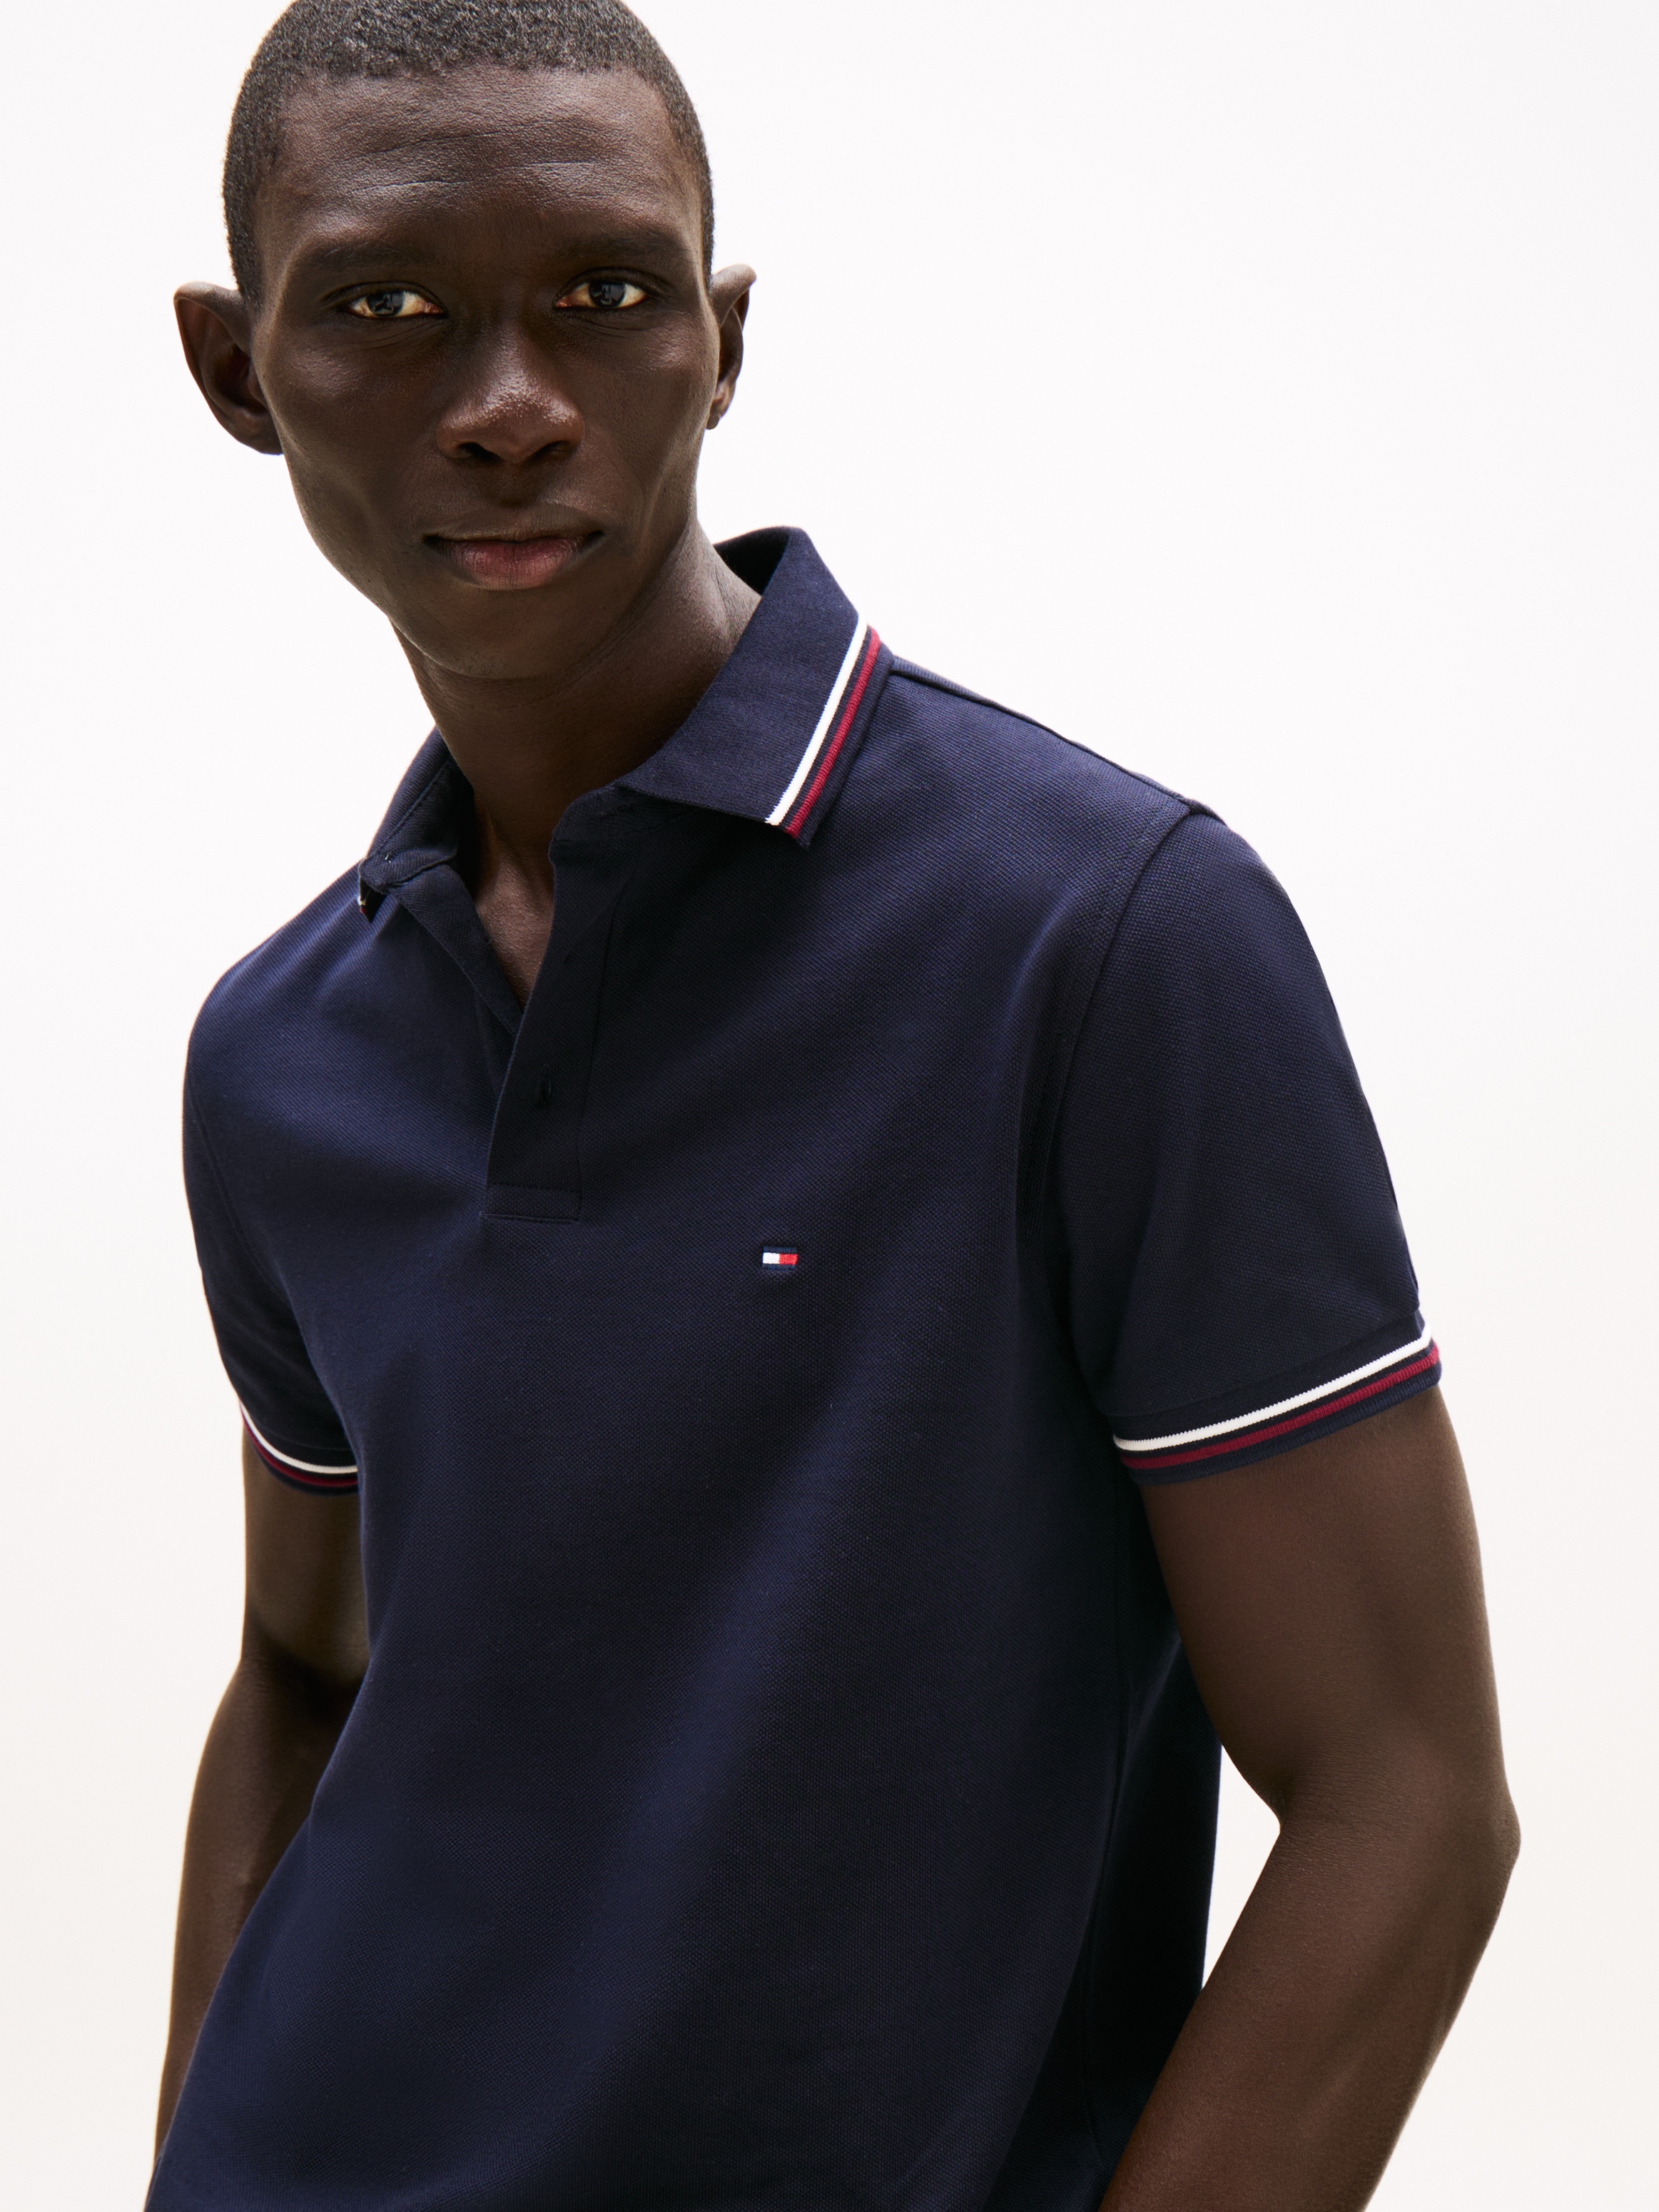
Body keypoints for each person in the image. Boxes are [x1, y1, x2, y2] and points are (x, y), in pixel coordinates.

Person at [151, 3, 1518, 2207]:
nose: (509, 402)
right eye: (384, 307)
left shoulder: (1112, 939)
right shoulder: (275, 1049)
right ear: (236, 369)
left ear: (721, 341)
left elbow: (1406, 1798)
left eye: (605, 293)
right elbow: (307, 1674)